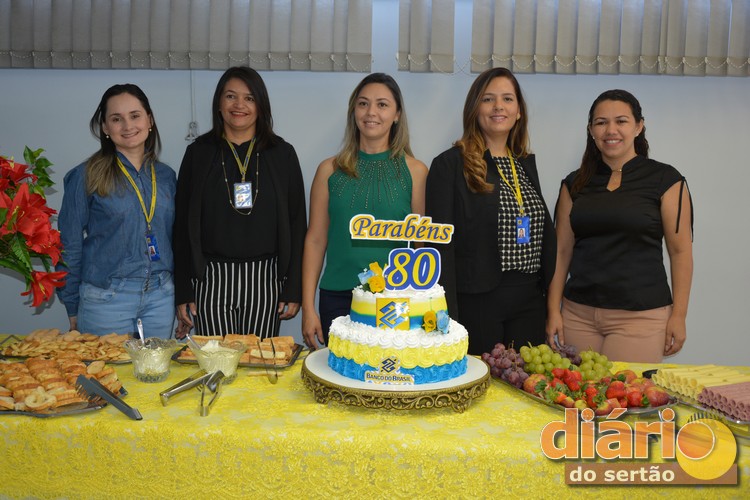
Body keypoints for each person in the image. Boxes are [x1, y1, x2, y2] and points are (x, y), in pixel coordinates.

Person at [545, 89, 693, 363]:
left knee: (623, 391)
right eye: (601, 122)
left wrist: (679, 315)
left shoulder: (666, 180)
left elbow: (680, 252)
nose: (610, 130)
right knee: (578, 390)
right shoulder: (574, 184)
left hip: (641, 318)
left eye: (621, 121)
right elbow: (561, 251)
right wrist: (554, 310)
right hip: (577, 316)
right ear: (591, 130)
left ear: (638, 126)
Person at [426, 67, 557, 356]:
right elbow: (439, 248)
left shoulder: (524, 163)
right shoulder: (450, 165)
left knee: (527, 382)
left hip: (529, 301)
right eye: (488, 99)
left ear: (518, 111)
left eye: (507, 99)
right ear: (475, 109)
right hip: (477, 301)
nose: (499, 106)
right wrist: (445, 317)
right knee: (482, 381)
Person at [173, 66, 306, 340]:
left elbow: (297, 225)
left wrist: (293, 288)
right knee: (216, 361)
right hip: (211, 280)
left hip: (265, 279)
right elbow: (182, 227)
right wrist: (183, 289)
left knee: (259, 360)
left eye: (249, 98)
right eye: (231, 96)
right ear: (219, 103)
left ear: (261, 105)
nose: (239, 105)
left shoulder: (282, 154)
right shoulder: (198, 153)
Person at [301, 73, 428, 349]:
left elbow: (421, 246)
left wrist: (425, 304)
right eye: (363, 103)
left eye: (382, 104)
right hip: (337, 297)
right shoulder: (328, 170)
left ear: (397, 114)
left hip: (394, 300)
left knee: (390, 373)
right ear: (354, 111)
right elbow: (315, 240)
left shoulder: (416, 172)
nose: (371, 112)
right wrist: (307, 308)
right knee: (342, 374)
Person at [57, 84, 176, 339]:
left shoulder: (166, 176)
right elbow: (69, 244)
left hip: (161, 298)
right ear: (105, 128)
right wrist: (71, 303)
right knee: (107, 367)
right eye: (116, 119)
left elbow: (177, 237)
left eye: (135, 115)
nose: (127, 125)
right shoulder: (85, 175)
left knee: (157, 366)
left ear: (149, 120)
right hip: (106, 300)